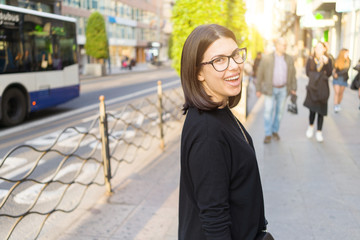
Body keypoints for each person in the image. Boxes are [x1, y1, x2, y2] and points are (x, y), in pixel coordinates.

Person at [179, 24, 268, 240]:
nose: (234, 66)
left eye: (235, 55)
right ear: (198, 72)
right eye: (219, 60)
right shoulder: (207, 132)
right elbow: (214, 221)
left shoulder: (219, 110)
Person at [255, 37, 297, 144]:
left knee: (279, 112)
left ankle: (275, 131)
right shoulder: (267, 58)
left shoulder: (289, 58)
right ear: (277, 45)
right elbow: (260, 73)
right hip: (270, 89)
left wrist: (293, 88)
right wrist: (258, 88)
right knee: (268, 111)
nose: (285, 47)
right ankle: (268, 133)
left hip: (283, 89)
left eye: (285, 45)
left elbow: (293, 74)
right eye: (283, 45)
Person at [303, 42, 333, 142]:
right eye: (316, 47)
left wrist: (327, 63)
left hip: (323, 89)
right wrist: (319, 74)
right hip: (312, 88)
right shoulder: (311, 59)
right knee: (312, 110)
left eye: (320, 48)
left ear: (324, 49)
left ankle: (319, 131)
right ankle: (310, 127)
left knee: (321, 111)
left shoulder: (328, 60)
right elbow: (307, 72)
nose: (318, 49)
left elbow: (329, 74)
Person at [332, 48, 351, 113]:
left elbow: (346, 70)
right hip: (336, 79)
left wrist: (337, 74)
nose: (348, 54)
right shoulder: (336, 60)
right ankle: (335, 105)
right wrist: (334, 74)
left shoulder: (348, 61)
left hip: (343, 78)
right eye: (346, 53)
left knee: (340, 93)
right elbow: (333, 69)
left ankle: (338, 104)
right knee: (337, 92)